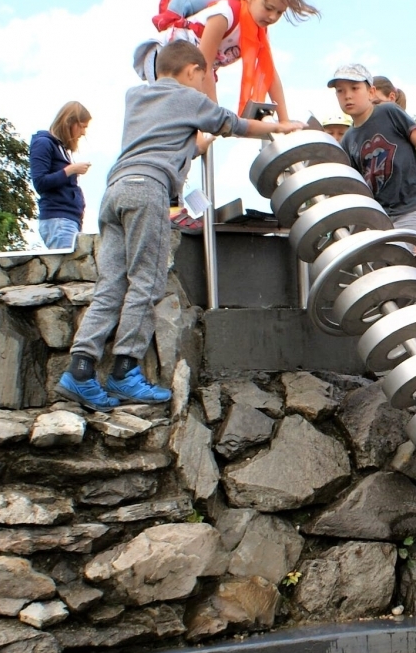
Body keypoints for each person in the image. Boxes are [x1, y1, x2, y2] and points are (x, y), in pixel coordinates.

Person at [62, 42, 303, 410]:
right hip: (148, 191)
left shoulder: (136, 96)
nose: (203, 85)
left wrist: (194, 146)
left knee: (111, 284)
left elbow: (161, 138)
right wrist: (280, 126)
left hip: (114, 191)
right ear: (193, 70)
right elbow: (234, 124)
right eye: (203, 77)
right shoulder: (189, 99)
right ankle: (125, 371)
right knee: (146, 280)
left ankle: (79, 371)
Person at [134, 0, 317, 118]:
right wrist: (214, 114)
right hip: (166, 56)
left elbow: (269, 75)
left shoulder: (257, 32)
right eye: (268, 8)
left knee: (193, 114)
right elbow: (203, 66)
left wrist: (284, 120)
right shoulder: (225, 14)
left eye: (279, 13)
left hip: (194, 70)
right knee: (183, 115)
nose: (272, 17)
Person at [330, 64, 416, 235]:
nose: (348, 96)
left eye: (355, 88)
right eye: (340, 91)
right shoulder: (348, 139)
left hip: (411, 208)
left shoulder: (389, 112)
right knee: (380, 260)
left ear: (371, 92)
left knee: (405, 258)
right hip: (379, 218)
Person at [30, 101, 91, 251]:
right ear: (69, 122)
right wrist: (70, 170)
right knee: (71, 273)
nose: (83, 132)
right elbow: (40, 182)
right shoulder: (43, 143)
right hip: (58, 220)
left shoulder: (60, 148)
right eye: (82, 126)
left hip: (68, 220)